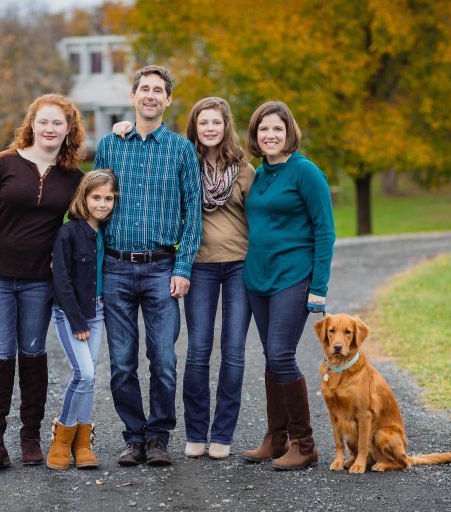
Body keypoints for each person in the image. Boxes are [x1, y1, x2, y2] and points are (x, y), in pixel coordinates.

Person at [113, 97, 254, 460]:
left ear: (226, 127)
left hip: (239, 265)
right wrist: (124, 128)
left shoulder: (243, 169)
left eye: (216, 123)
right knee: (198, 351)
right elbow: (187, 207)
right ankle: (194, 431)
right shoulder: (182, 157)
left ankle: (221, 433)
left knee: (233, 352)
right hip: (200, 266)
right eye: (203, 122)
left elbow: (262, 219)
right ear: (195, 126)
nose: (210, 129)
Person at [0, 94, 85, 474]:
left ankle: (30, 438)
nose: (49, 129)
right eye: (43, 122)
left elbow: (85, 224)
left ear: (69, 130)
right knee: (0, 358)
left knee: (33, 356)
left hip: (39, 282)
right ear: (31, 124)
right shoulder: (4, 165)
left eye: (58, 124)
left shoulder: (72, 177)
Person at [93, 65, 202, 467]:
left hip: (161, 267)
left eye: (159, 90)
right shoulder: (110, 145)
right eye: (144, 89)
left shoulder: (180, 150)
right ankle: (133, 437)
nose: (151, 95)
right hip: (117, 268)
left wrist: (183, 267)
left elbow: (195, 214)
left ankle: (158, 436)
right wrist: (96, 269)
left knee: (163, 359)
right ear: (133, 96)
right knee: (122, 361)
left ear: (168, 100)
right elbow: (94, 206)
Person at [241, 101, 336, 470]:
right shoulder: (260, 174)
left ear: (289, 132)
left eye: (277, 129)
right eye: (264, 129)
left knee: (281, 354)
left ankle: (304, 443)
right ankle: (275, 438)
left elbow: (325, 230)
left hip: (293, 277)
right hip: (258, 279)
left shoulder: (306, 172)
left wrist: (319, 286)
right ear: (256, 135)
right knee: (271, 357)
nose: (270, 135)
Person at [46, 169, 118, 471]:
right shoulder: (68, 233)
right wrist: (77, 321)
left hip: (98, 311)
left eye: (109, 198)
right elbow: (60, 280)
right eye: (96, 197)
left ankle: (84, 443)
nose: (102, 204)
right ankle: (61, 437)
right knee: (84, 374)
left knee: (90, 378)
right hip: (71, 314)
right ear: (84, 198)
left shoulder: (107, 232)